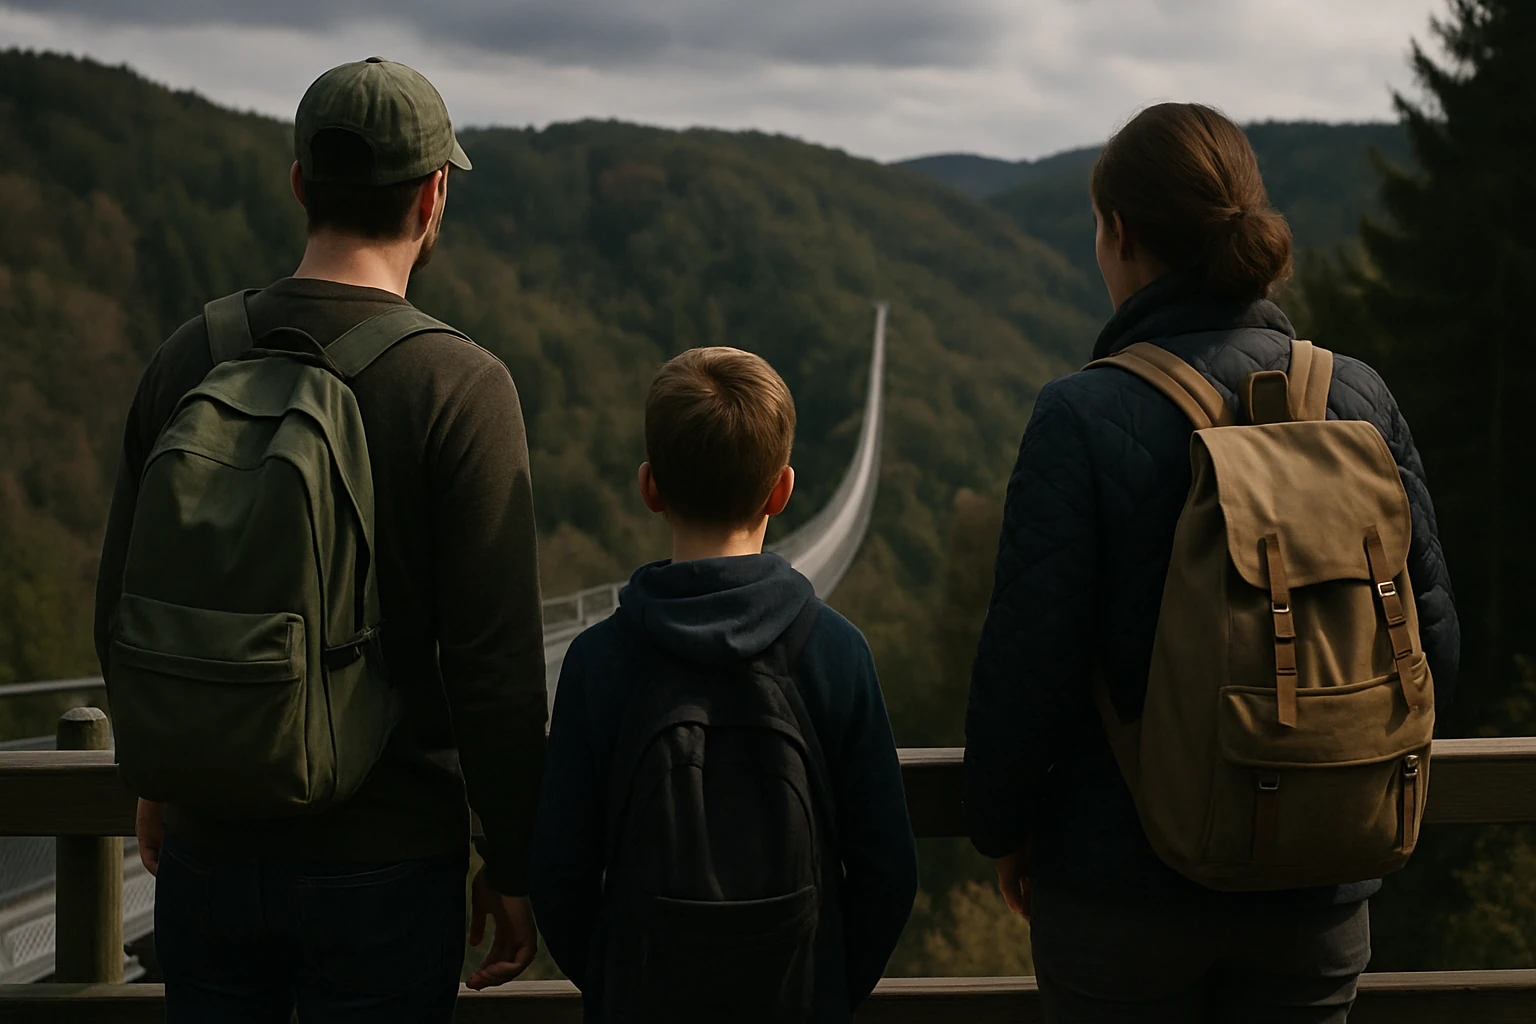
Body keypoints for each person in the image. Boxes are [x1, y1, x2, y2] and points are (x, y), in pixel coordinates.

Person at [964, 103, 1459, 1022]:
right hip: (1317, 890)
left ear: (1121, 233)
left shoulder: (1079, 415)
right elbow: (1431, 643)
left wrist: (1001, 828)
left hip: (1123, 903)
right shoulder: (1358, 398)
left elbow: (1029, 666)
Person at [93, 58, 548, 1022]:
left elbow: (121, 606)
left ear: (300, 183)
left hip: (209, 848)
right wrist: (513, 861)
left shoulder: (189, 356)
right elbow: (496, 670)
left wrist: (160, 775)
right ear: (434, 196)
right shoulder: (462, 388)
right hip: (384, 862)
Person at [529, 346, 918, 1022]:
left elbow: (559, 876)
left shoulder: (596, 663)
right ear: (782, 490)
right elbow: (888, 872)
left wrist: (617, 983)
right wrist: (825, 988)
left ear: (649, 488)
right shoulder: (837, 652)